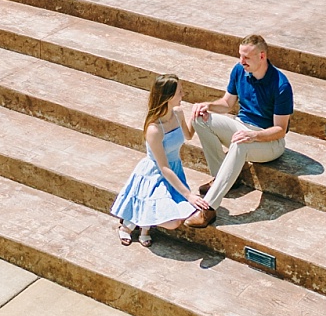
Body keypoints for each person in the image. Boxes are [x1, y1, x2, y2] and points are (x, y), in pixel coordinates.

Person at [189, 33, 291, 224]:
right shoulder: (239, 70)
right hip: (241, 126)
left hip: (269, 141)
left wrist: (254, 135)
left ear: (262, 56)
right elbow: (227, 104)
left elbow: (280, 130)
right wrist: (208, 106)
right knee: (200, 119)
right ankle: (224, 178)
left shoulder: (281, 85)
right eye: (240, 56)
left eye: (246, 57)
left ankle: (208, 209)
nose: (241, 61)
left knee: (241, 142)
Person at [109, 74, 211, 246]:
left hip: (175, 171)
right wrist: (189, 195)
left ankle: (142, 223)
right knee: (173, 222)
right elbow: (163, 167)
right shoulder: (154, 129)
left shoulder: (177, 113)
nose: (183, 95)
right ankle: (131, 224)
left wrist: (196, 118)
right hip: (156, 174)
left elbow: (188, 135)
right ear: (169, 97)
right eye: (180, 92)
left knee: (180, 215)